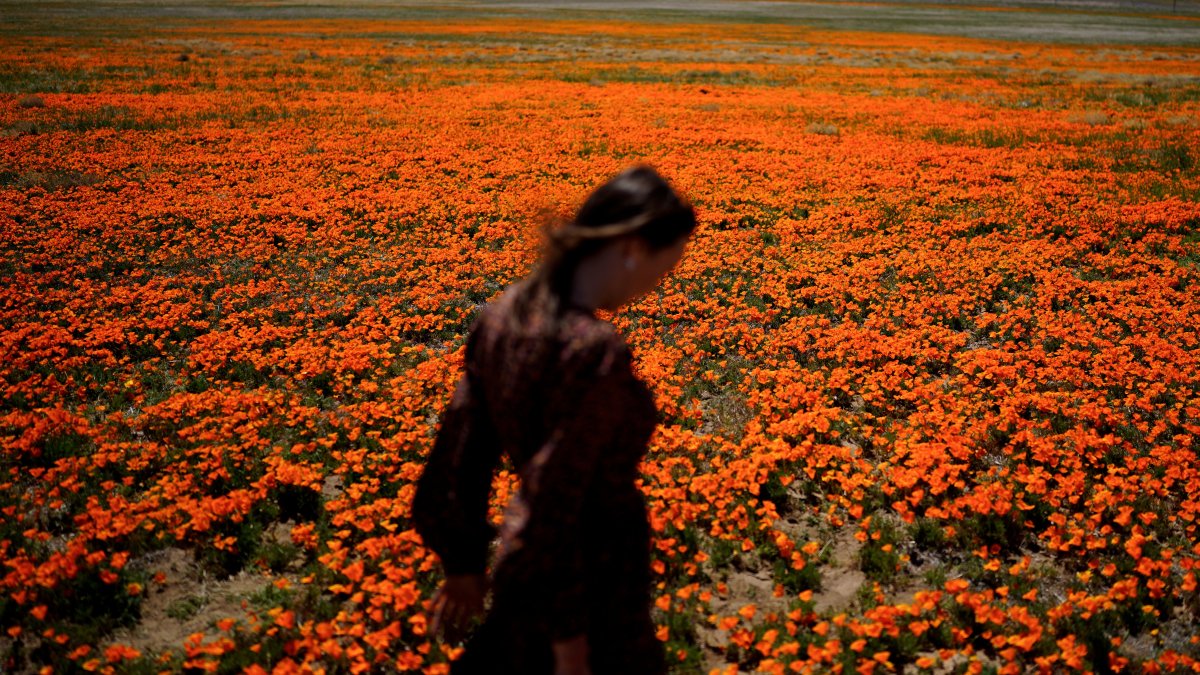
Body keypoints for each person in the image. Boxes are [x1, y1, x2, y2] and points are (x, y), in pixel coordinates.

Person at [411, 164, 696, 675]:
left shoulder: (504, 315)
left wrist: (463, 562)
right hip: (592, 592)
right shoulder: (592, 352)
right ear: (633, 248)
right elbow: (553, 502)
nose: (658, 286)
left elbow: (460, 452)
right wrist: (571, 646)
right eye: (665, 268)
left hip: (527, 587)